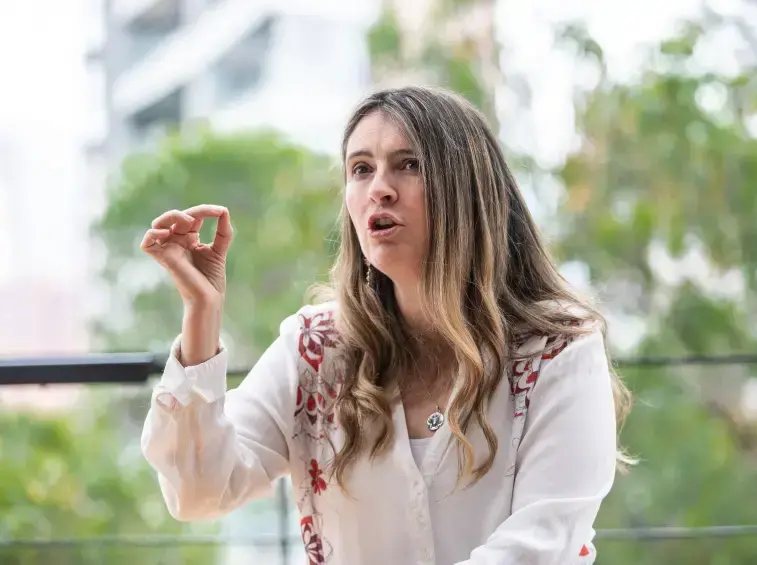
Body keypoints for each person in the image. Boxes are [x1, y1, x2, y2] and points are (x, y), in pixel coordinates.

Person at [140, 86, 631, 565]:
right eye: (360, 169)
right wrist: (201, 314)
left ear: (467, 189)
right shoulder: (315, 349)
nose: (379, 188)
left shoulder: (559, 350)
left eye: (408, 164)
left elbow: (541, 543)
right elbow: (198, 490)